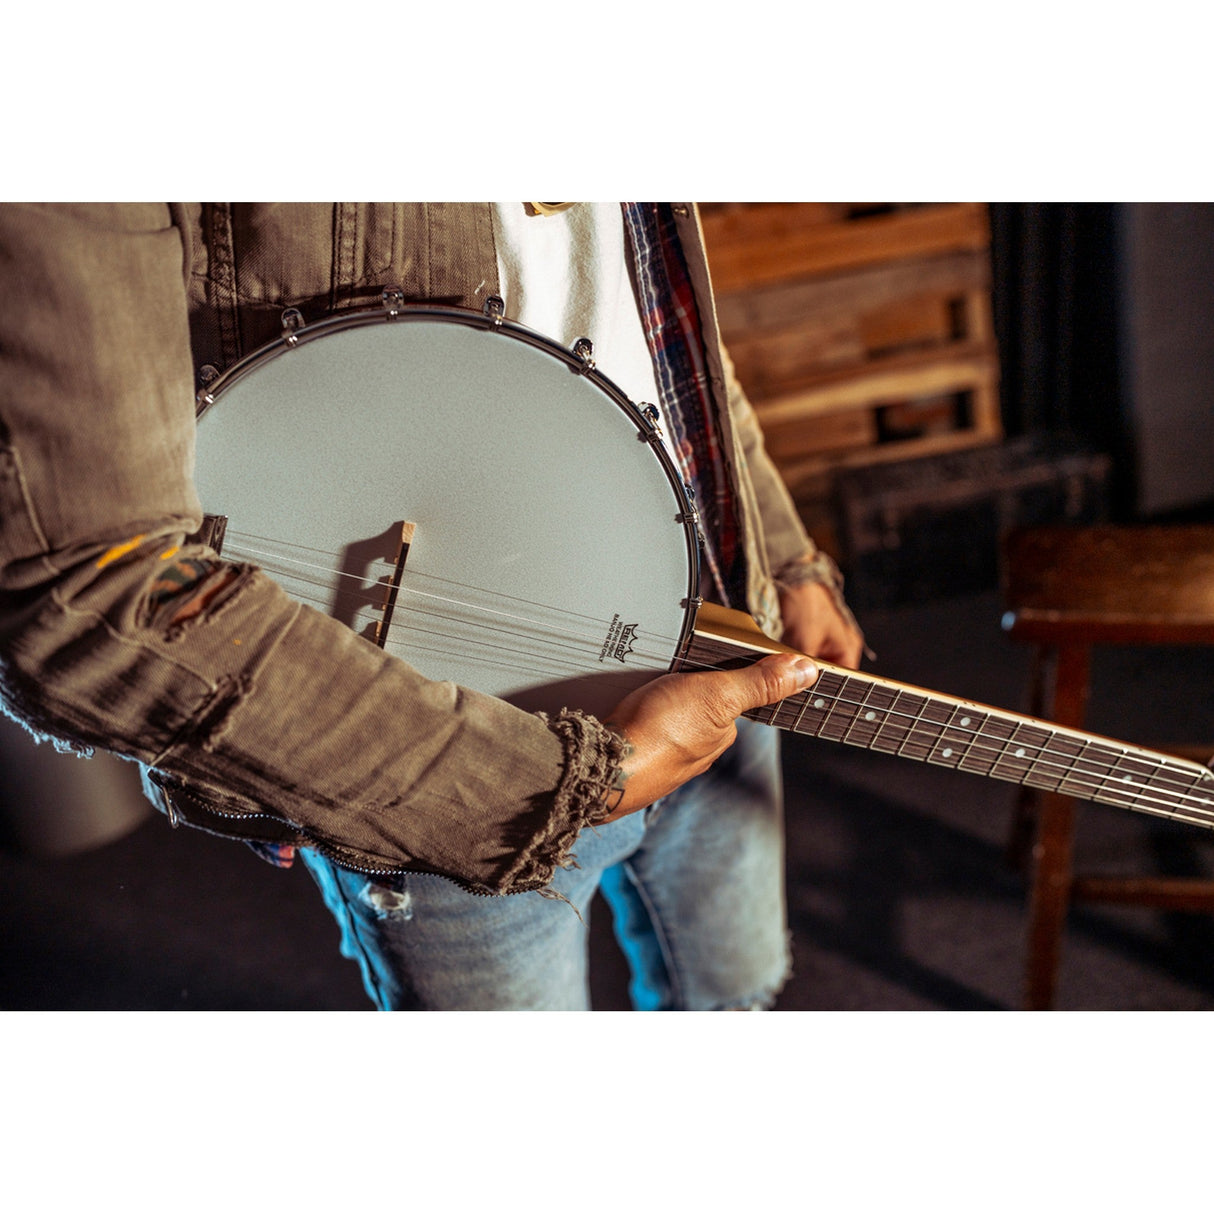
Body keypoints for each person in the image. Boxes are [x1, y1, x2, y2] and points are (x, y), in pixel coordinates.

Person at [0, 202, 863, 1010]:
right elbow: (80, 584)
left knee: (735, 988)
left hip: (718, 639)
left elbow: (667, 338)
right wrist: (555, 793)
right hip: (448, 755)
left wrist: (784, 556)